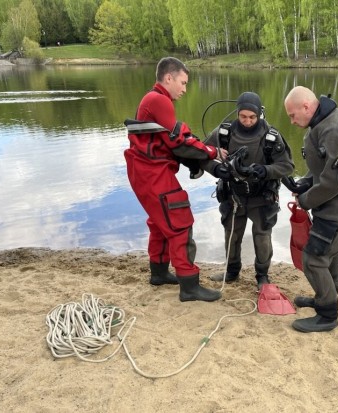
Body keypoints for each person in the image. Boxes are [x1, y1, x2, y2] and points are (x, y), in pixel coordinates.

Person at [124, 57, 228, 302]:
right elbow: (178, 140)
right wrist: (212, 152)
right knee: (179, 221)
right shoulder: (159, 100)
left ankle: (159, 273)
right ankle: (189, 286)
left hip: (144, 172)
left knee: (161, 222)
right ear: (168, 78)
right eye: (182, 82)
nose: (184, 89)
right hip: (152, 173)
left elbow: (168, 141)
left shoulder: (152, 99)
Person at [283, 86, 338, 333]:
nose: (292, 121)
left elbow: (334, 182)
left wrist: (305, 200)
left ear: (307, 107)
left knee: (313, 258)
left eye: (292, 115)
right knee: (332, 254)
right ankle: (326, 295)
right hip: (335, 204)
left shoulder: (333, 130)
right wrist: (304, 183)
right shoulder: (325, 122)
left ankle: (327, 314)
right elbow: (325, 168)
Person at [201, 92, 295, 291]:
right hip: (233, 194)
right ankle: (232, 271)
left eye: (252, 117)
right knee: (232, 233)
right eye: (243, 116)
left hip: (262, 196)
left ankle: (262, 275)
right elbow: (200, 154)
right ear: (237, 113)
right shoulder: (224, 133)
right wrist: (216, 168)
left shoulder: (271, 136)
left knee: (262, 236)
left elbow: (287, 166)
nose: (248, 121)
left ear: (259, 114)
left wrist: (266, 170)